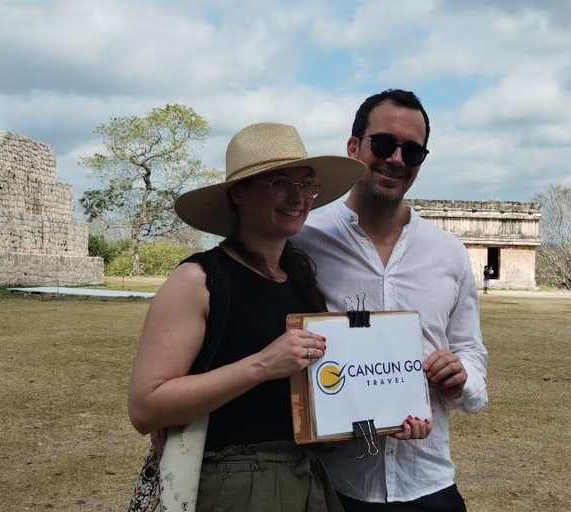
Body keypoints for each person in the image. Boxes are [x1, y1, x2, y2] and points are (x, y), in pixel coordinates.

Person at [128, 122, 429, 512]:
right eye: (280, 183)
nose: (298, 197)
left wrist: (386, 416)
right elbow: (146, 406)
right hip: (235, 485)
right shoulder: (199, 279)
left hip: (308, 479)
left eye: (306, 184)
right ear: (239, 194)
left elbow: (318, 396)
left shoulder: (301, 279)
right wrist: (262, 365)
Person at [295, 89, 489, 511]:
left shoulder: (448, 252)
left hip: (428, 483)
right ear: (353, 147)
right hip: (334, 486)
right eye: (384, 144)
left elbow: (471, 350)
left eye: (413, 151)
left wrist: (462, 378)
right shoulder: (305, 242)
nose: (397, 159)